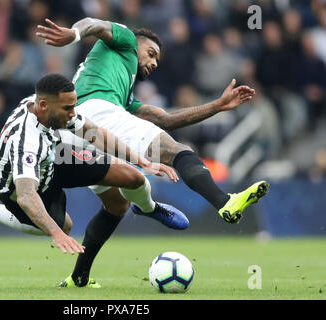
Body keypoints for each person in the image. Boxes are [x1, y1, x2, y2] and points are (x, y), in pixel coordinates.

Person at [36, 18, 270, 287]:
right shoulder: (125, 40)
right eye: (151, 53)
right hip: (94, 115)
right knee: (177, 150)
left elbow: (166, 119)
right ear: (137, 45)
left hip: (73, 132)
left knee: (116, 205)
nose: (155, 63)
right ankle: (223, 201)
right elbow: (93, 23)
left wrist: (216, 106)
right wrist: (74, 34)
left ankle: (79, 277)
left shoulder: (123, 93)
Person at [0, 73, 188, 271]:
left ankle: (149, 208)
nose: (73, 113)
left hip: (54, 156)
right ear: (44, 105)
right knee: (62, 226)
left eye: (73, 106)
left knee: (133, 177)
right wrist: (56, 234)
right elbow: (26, 196)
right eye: (68, 108)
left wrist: (142, 161)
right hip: (20, 185)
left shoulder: (51, 109)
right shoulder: (26, 140)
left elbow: (96, 134)